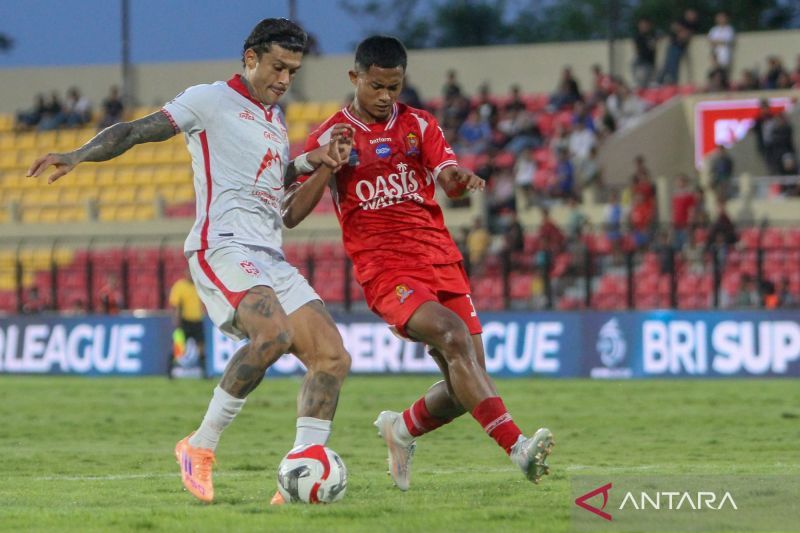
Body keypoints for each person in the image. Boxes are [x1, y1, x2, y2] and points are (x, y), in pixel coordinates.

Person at [27, 18, 354, 505]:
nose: (285, 80)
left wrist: (312, 161)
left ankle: (301, 471)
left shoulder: (273, 120)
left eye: (293, 71)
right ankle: (198, 447)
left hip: (270, 254)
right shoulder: (210, 100)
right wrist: (80, 154)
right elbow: (137, 131)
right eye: (278, 67)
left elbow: (267, 180)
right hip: (222, 246)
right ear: (250, 58)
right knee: (275, 335)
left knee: (332, 357)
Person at [282, 36, 554, 491]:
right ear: (355, 78)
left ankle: (402, 429)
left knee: (468, 378)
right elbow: (290, 214)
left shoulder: (420, 125)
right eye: (377, 87)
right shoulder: (331, 135)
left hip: (440, 257)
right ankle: (518, 448)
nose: (386, 97)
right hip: (387, 269)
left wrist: (460, 179)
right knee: (452, 336)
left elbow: (446, 178)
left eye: (395, 87)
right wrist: (329, 164)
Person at [169, 268, 208, 377]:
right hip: (184, 321)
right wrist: (176, 321)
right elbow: (176, 305)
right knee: (178, 347)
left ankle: (204, 372)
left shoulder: (199, 285)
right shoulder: (179, 286)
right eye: (189, 273)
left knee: (201, 347)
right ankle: (170, 371)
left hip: (197, 321)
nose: (191, 275)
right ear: (185, 274)